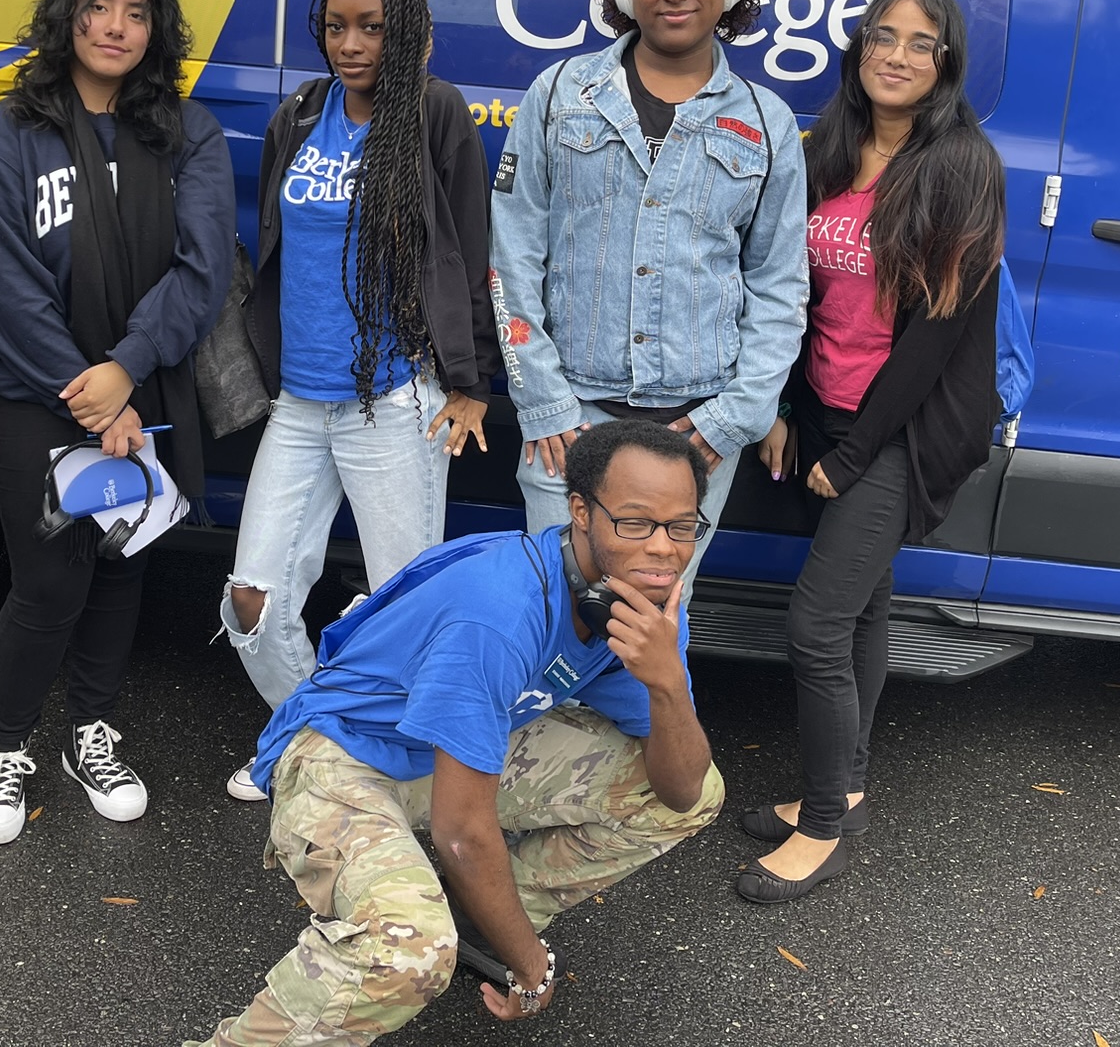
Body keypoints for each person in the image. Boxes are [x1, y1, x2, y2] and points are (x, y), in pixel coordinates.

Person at [186, 418, 724, 1046]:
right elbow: (463, 835)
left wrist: (666, 684)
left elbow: (682, 792)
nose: (663, 548)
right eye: (634, 523)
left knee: (690, 791)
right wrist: (530, 965)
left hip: (434, 760)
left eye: (681, 527)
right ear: (581, 511)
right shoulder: (499, 613)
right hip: (339, 756)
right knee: (407, 950)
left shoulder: (647, 607)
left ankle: (469, 918)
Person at [0, 0, 234, 841]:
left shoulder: (184, 131)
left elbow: (202, 269)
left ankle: (91, 731)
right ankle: (7, 747)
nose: (116, 26)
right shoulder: (11, 132)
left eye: (137, 11)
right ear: (67, 14)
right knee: (47, 581)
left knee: (122, 566)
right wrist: (92, 398)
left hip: (145, 386)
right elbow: (2, 281)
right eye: (99, 6)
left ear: (157, 29)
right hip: (36, 392)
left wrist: (127, 374)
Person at [741, 0, 1007, 903]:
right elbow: (792, 291)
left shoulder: (962, 164)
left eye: (920, 43)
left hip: (900, 429)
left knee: (815, 624)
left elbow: (932, 337)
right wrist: (783, 407)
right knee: (860, 611)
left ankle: (822, 827)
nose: (896, 54)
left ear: (946, 63)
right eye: (881, 37)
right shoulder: (834, 148)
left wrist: (854, 454)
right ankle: (843, 787)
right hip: (826, 408)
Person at [219, 0, 497, 802]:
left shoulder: (436, 114)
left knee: (404, 612)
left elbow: (469, 249)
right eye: (337, 26)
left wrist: (471, 378)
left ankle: (389, 769)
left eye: (371, 26)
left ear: (409, 30)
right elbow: (275, 243)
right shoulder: (300, 114)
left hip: (394, 400)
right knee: (251, 603)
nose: (350, 43)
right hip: (300, 401)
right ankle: (312, 739)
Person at [490, 0, 809, 597]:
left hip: (696, 431)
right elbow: (512, 257)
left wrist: (735, 419)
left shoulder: (767, 122)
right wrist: (544, 402)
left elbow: (781, 288)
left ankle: (640, 714)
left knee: (654, 627)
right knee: (552, 615)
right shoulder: (559, 95)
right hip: (571, 423)